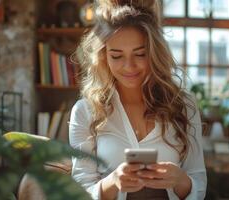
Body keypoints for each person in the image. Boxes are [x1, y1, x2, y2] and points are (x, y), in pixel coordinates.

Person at [69, 0, 207, 199]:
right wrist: (113, 181)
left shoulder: (184, 105)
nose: (129, 66)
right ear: (103, 57)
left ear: (154, 53)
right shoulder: (86, 111)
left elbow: (199, 183)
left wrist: (180, 180)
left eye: (140, 54)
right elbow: (79, 192)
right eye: (116, 56)